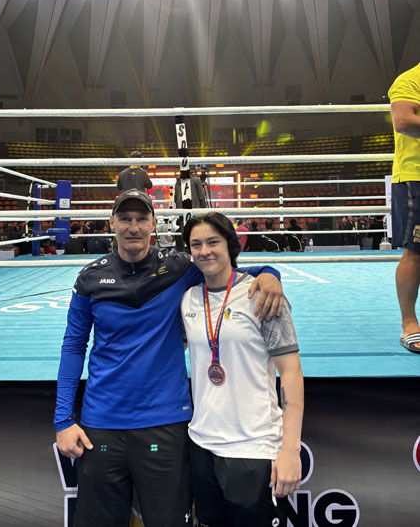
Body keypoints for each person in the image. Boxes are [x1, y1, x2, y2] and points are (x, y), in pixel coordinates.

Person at [55, 188, 285, 527]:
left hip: (165, 424)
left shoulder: (177, 267)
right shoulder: (89, 278)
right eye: (125, 219)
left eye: (141, 219)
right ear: (112, 223)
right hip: (101, 425)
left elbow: (227, 270)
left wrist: (269, 273)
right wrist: (62, 420)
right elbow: (74, 346)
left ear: (154, 224)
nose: (133, 227)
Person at [181, 213, 303, 526]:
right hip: (202, 445)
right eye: (196, 244)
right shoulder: (188, 299)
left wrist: (290, 451)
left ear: (230, 245)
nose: (204, 251)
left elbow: (291, 375)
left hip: (254, 448)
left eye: (213, 242)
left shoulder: (264, 295)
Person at [389, 62, 420, 353]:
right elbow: (403, 121)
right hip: (415, 177)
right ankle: (410, 324)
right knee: (415, 251)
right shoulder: (410, 80)